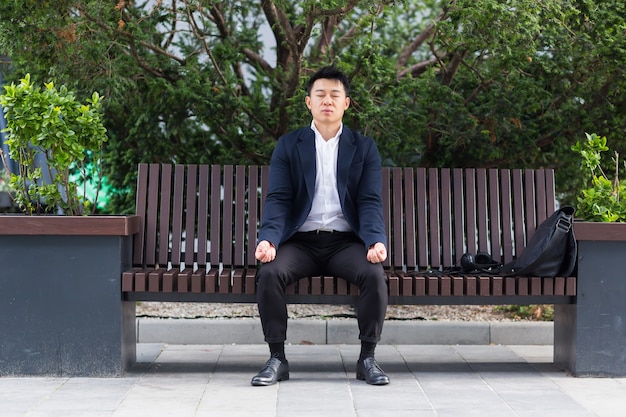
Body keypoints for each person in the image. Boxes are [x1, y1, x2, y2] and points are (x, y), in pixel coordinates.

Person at [251, 66, 390, 386]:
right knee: (269, 272)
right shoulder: (290, 145)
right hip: (300, 242)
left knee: (374, 275)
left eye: (335, 95)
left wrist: (374, 241)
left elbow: (370, 201)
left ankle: (367, 358)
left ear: (346, 103)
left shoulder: (363, 147)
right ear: (308, 102)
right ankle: (277, 358)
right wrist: (269, 239)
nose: (327, 100)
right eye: (320, 95)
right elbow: (279, 198)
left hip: (345, 243)